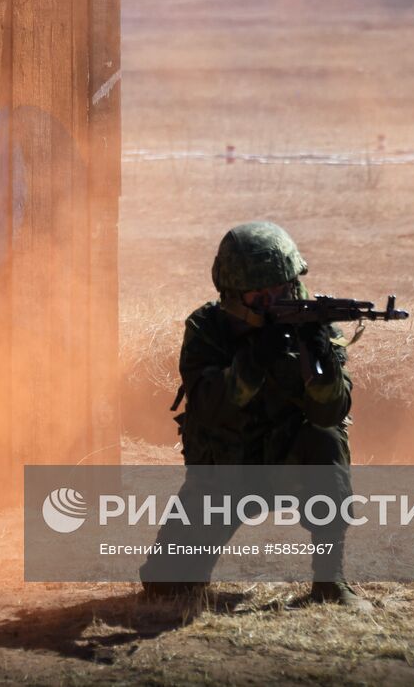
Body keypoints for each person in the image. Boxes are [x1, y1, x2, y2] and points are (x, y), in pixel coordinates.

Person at [138, 221, 373, 611]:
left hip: (291, 464)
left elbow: (331, 409)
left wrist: (320, 360)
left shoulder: (314, 327)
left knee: (326, 436)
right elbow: (210, 406)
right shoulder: (207, 328)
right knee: (166, 585)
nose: (273, 301)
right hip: (226, 472)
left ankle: (329, 580)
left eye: (281, 290)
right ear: (232, 294)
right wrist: (254, 359)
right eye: (259, 295)